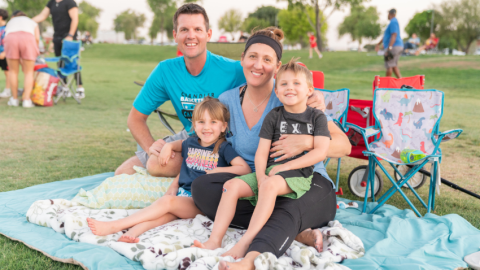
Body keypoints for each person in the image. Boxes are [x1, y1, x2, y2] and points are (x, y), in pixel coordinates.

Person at [191, 27, 351, 270]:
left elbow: (345, 145)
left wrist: (307, 142)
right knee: (203, 188)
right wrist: (169, 143)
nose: (258, 65)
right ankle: (294, 230)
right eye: (253, 56)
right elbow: (202, 133)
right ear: (242, 59)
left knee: (288, 208)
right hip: (261, 180)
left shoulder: (293, 97)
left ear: (277, 67)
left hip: (308, 182)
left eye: (267, 60)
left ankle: (251, 259)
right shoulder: (227, 101)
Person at [114, 3, 326, 177]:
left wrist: (313, 94)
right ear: (175, 35)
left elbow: (274, 70)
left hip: (218, 144)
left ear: (208, 34)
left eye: (197, 29)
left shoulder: (233, 69)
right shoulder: (165, 71)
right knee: (123, 173)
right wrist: (152, 147)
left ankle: (190, 177)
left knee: (158, 166)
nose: (191, 36)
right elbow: (135, 118)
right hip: (191, 136)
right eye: (184, 30)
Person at [87, 97, 251, 243]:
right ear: (194, 125)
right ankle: (133, 232)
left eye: (213, 122)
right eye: (201, 122)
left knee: (167, 203)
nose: (207, 127)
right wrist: (168, 150)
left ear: (223, 126)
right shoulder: (190, 143)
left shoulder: (223, 148)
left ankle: (114, 226)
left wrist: (218, 171)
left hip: (200, 202)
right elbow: (184, 164)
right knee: (163, 216)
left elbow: (244, 168)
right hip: (183, 196)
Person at [33, 0, 85, 99]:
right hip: (57, 37)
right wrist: (27, 21)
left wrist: (70, 35)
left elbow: (75, 19)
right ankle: (65, 87)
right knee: (60, 63)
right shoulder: (51, 2)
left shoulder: (70, 2)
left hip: (69, 37)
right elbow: (42, 16)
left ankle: (80, 88)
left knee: (72, 63)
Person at [4, 11, 40, 108]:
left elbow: (6, 35)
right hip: (28, 38)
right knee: (28, 72)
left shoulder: (11, 21)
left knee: (13, 71)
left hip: (11, 38)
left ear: (14, 16)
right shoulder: (32, 22)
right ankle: (26, 101)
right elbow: (37, 38)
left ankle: (14, 99)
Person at [375, 9, 403, 78]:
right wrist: (378, 43)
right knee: (393, 66)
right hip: (397, 46)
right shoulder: (392, 22)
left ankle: (386, 87)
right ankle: (403, 85)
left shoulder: (393, 22)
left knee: (389, 66)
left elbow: (394, 34)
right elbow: (386, 36)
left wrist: (389, 48)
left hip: (393, 46)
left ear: (390, 14)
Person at [0, 9, 10, 99]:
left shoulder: (7, 29)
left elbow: (10, 42)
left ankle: (7, 90)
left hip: (4, 54)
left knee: (7, 73)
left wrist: (5, 52)